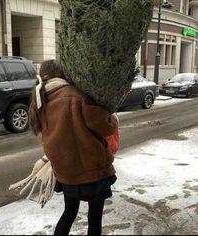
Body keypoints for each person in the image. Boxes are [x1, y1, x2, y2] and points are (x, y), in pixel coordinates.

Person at [29, 59, 118, 235]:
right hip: (92, 170)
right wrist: (112, 116)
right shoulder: (76, 95)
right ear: (63, 74)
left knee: (69, 212)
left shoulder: (41, 100)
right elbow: (105, 126)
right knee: (94, 218)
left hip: (67, 173)